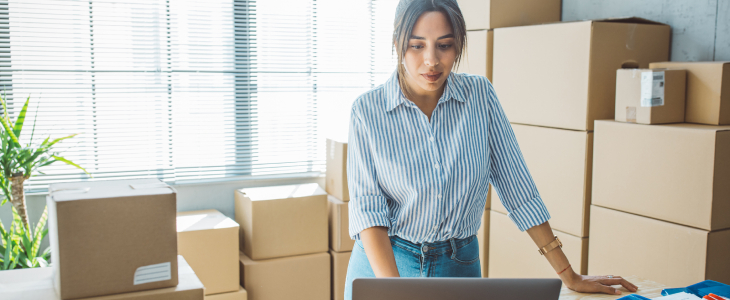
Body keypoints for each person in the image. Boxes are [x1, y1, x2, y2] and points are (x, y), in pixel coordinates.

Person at [343, 0, 639, 299]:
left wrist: (569, 275)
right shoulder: (367, 111)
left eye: (444, 45)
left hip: (458, 265)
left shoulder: (479, 96)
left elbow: (517, 187)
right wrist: (396, 293)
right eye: (416, 46)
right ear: (397, 44)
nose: (431, 60)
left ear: (458, 44)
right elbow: (369, 215)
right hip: (386, 267)